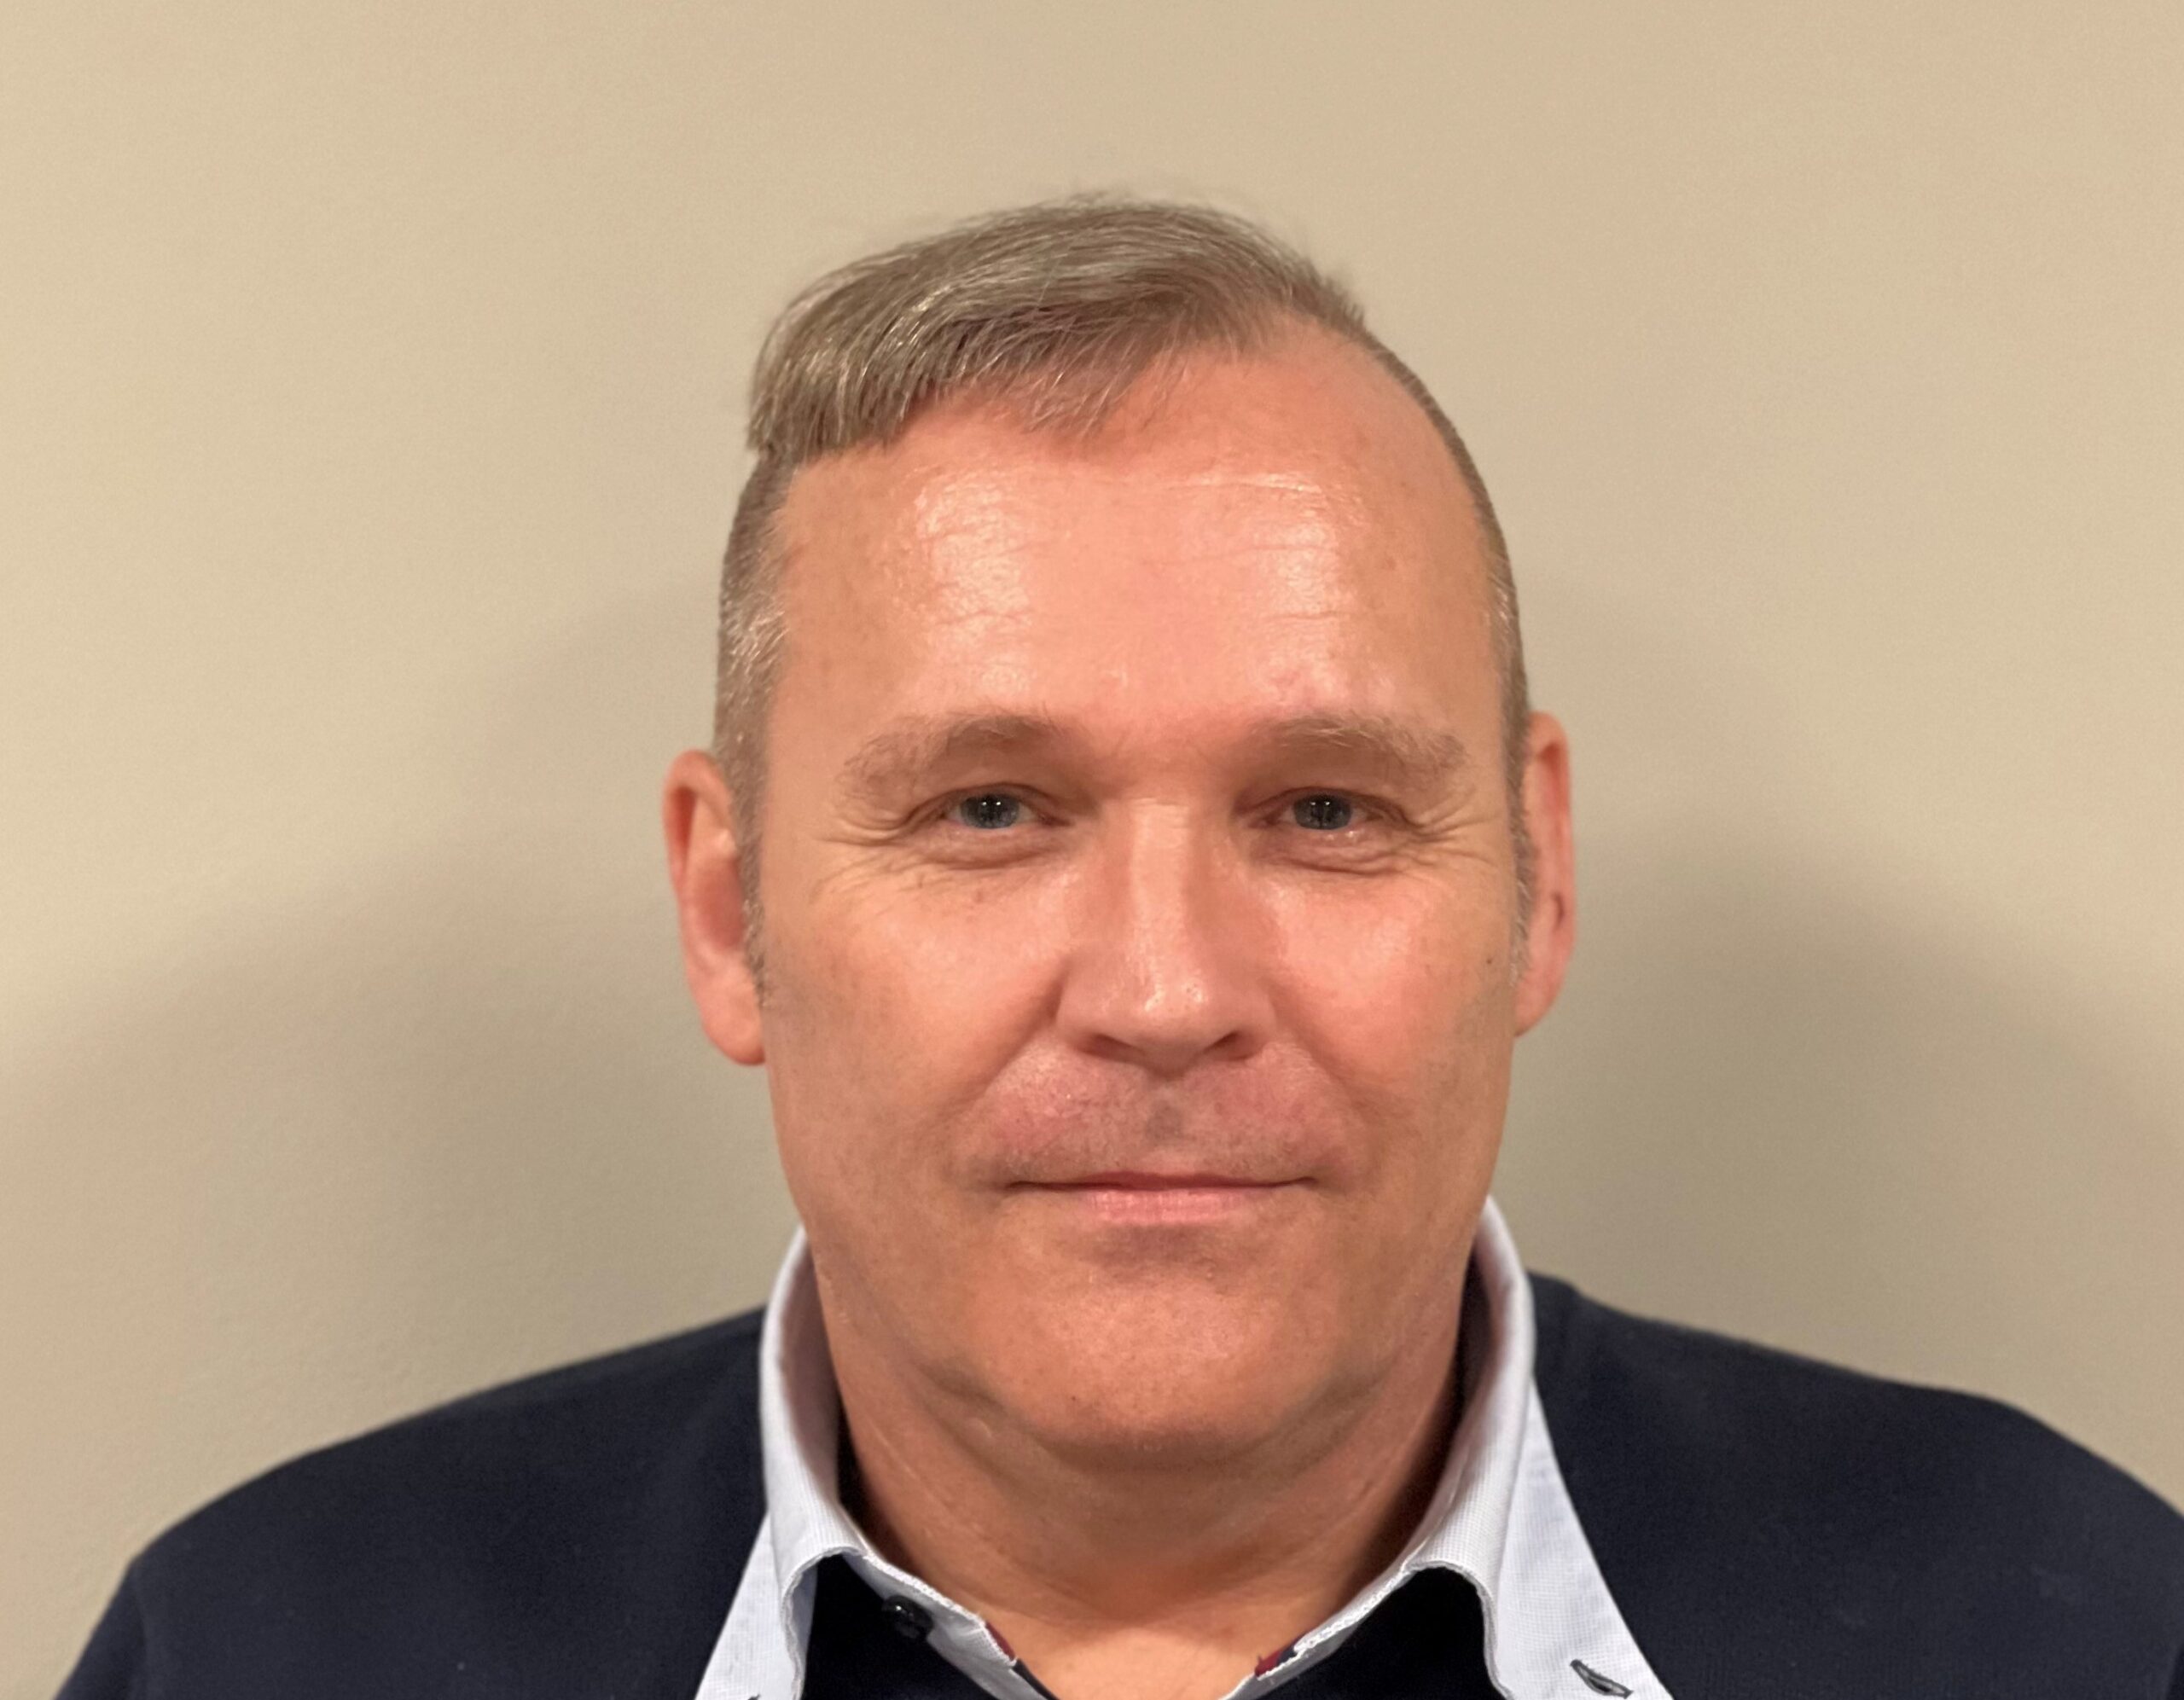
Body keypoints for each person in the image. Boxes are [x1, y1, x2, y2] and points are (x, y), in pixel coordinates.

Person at [58, 198, 2184, 1700]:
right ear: (727, 911)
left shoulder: (2060, 1624)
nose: (1165, 994)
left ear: (1534, 877)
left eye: (1323, 810)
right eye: (989, 812)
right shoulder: (271, 1646)